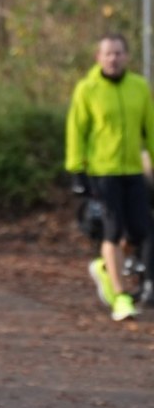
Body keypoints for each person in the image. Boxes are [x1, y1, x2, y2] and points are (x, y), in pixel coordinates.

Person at [65, 32, 154, 320]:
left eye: (118, 53)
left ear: (126, 56)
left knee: (141, 230)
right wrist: (77, 170)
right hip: (102, 173)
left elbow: (150, 129)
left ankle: (106, 266)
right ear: (98, 57)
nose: (113, 58)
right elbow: (77, 130)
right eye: (108, 53)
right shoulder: (87, 89)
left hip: (133, 170)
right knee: (113, 231)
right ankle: (120, 296)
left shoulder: (139, 87)